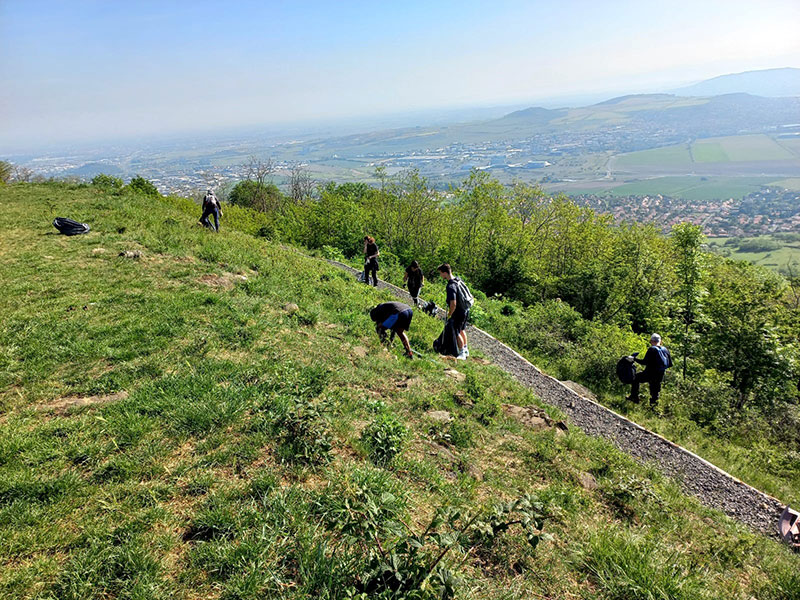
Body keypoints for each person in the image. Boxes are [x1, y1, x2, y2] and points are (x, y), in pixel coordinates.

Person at [437, 263, 473, 360]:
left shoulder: (451, 286)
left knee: (455, 332)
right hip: (465, 310)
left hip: (458, 312)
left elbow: (453, 303)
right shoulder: (458, 280)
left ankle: (462, 353)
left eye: (441, 273)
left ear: (445, 273)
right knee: (462, 329)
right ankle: (466, 350)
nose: (440, 276)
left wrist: (449, 315)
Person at [626, 333, 672, 407]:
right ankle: (654, 408)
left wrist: (634, 359)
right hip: (660, 374)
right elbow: (669, 364)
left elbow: (644, 362)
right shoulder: (665, 350)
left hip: (649, 373)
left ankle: (634, 397)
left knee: (635, 378)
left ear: (651, 341)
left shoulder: (652, 349)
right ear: (660, 341)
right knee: (655, 392)